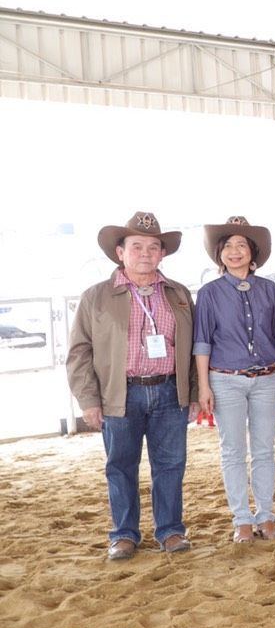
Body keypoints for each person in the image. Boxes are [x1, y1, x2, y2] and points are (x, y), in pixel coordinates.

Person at [67, 212, 196, 560]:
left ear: (162, 254)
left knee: (170, 465)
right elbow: (79, 352)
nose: (145, 253)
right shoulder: (96, 297)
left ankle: (170, 530)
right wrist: (88, 400)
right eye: (136, 246)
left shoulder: (179, 294)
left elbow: (194, 347)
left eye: (153, 247)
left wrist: (194, 393)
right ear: (120, 252)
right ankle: (124, 534)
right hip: (119, 394)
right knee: (121, 466)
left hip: (170, 392)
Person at [194, 216, 275, 543]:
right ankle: (242, 520)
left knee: (264, 450)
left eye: (241, 245)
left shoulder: (269, 289)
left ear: (253, 252)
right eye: (228, 246)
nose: (234, 251)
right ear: (219, 254)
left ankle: (266, 516)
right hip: (225, 380)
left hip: (267, 379)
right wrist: (204, 385)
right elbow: (202, 342)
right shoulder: (209, 293)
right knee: (233, 451)